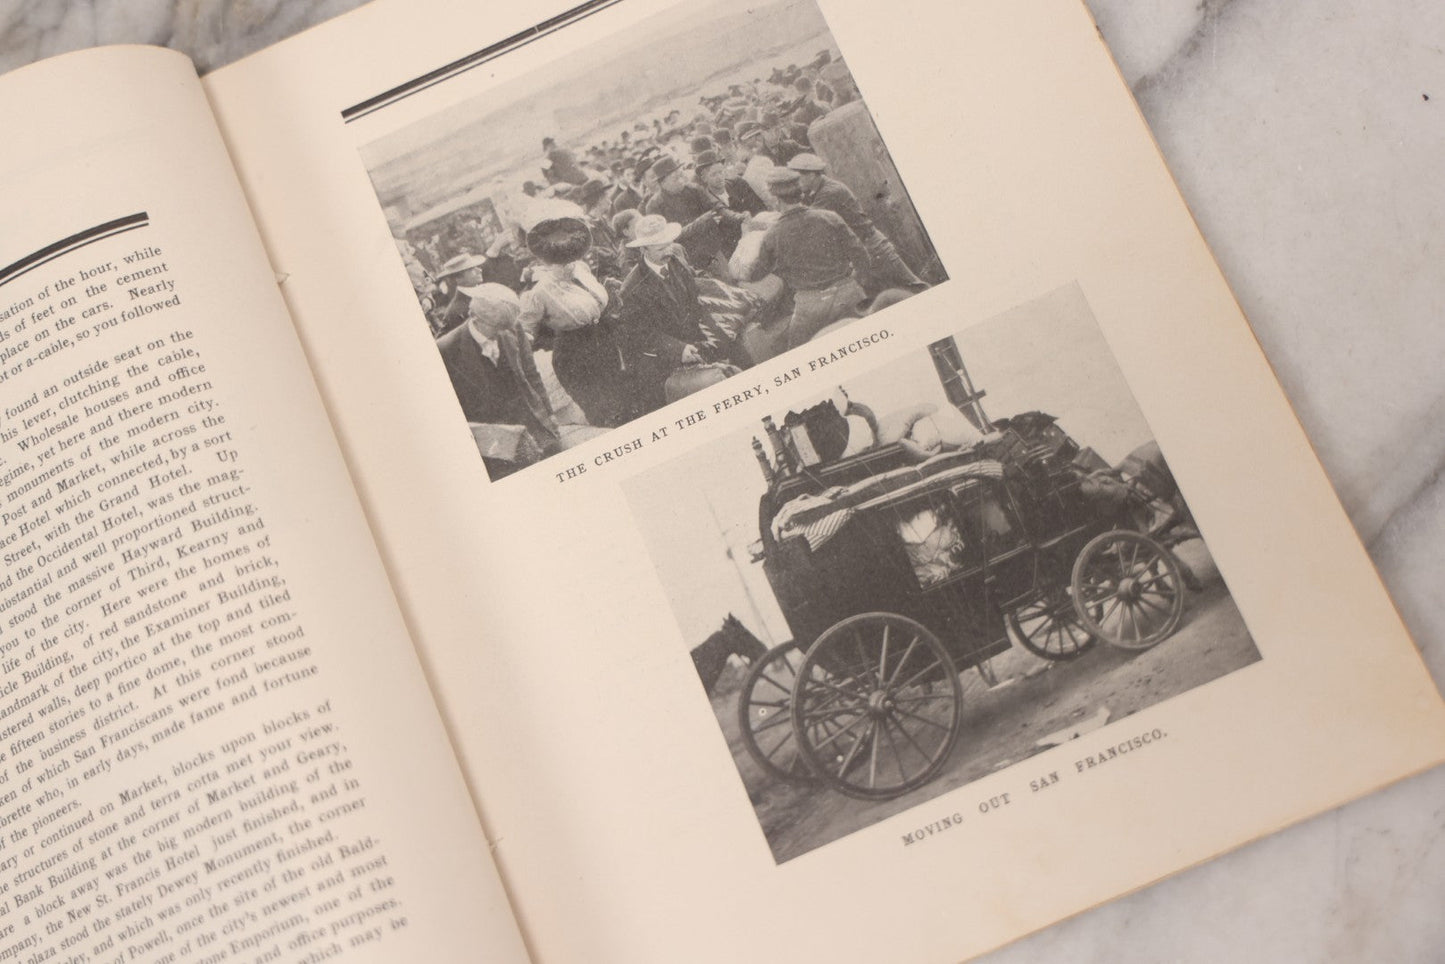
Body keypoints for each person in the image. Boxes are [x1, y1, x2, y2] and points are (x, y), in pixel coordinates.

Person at [518, 202, 637, 428]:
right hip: (577, 358)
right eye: (558, 252)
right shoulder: (539, 291)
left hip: (605, 342)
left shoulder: (582, 269)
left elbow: (591, 300)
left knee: (627, 403)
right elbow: (525, 330)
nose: (568, 256)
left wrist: (607, 289)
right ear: (546, 256)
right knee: (607, 415)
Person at [436, 284, 559, 479]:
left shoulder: (512, 327)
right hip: (497, 440)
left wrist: (549, 413)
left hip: (532, 421)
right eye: (497, 328)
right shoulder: (446, 349)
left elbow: (531, 374)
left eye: (506, 327)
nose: (503, 333)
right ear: (474, 317)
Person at [617, 215, 730, 411]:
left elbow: (693, 299)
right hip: (664, 360)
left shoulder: (675, 260)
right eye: (660, 249)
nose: (668, 251)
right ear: (643, 249)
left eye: (669, 244)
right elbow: (640, 335)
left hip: (695, 342)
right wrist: (678, 349)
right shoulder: (631, 289)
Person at [749, 168, 869, 348]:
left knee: (798, 352)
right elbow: (862, 257)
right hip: (848, 294)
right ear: (800, 193)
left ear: (775, 199)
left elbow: (756, 274)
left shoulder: (772, 235)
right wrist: (850, 283)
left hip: (810, 307)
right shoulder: (830, 217)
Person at [787, 152, 926, 294]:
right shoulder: (819, 190)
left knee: (916, 288)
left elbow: (809, 223)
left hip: (873, 248)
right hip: (865, 249)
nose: (796, 184)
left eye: (798, 179)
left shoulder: (829, 192)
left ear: (811, 175)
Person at [695, 149, 766, 261]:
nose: (719, 177)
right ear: (704, 178)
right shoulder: (704, 202)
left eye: (721, 172)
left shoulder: (738, 184)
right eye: (713, 174)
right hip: (733, 251)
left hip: (757, 235)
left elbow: (760, 209)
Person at [432, 253, 487, 336]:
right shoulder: (454, 312)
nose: (479, 270)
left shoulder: (487, 292)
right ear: (458, 278)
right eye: (471, 269)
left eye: (477, 267)